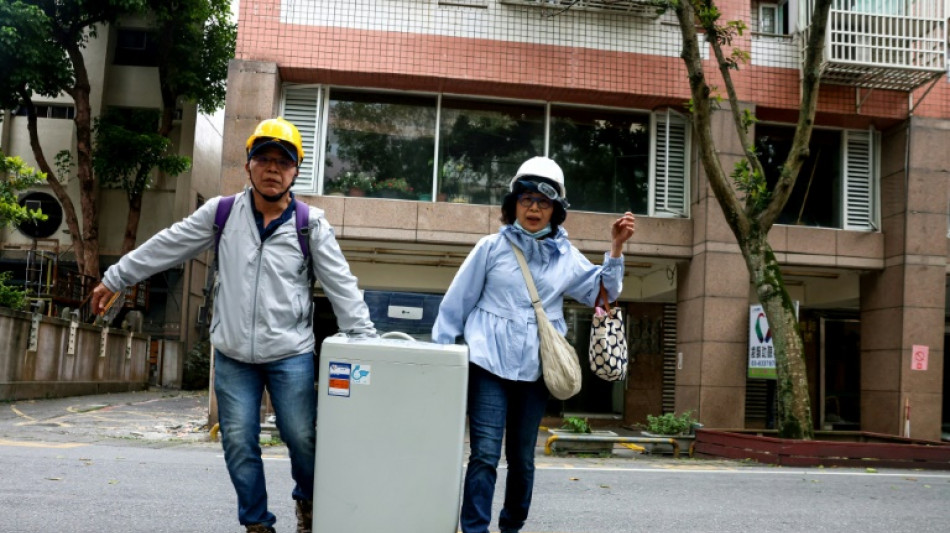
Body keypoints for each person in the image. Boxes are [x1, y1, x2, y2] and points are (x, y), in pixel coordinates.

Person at [90, 117, 376, 533]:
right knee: (239, 444)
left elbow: (343, 289)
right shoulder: (222, 214)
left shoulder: (310, 225)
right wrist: (116, 276)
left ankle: (309, 505)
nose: (273, 168)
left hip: (291, 355)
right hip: (233, 355)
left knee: (303, 439)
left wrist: (369, 343)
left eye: (284, 161)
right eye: (264, 159)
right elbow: (167, 245)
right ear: (248, 165)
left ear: (296, 171)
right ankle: (257, 524)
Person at [432, 156, 636, 533]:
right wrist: (444, 358)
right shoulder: (490, 248)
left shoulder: (566, 257)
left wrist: (616, 248)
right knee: (485, 455)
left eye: (544, 202)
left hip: (536, 369)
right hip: (488, 365)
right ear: (513, 205)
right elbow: (455, 304)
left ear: (556, 210)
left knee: (522, 458)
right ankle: (474, 529)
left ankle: (511, 526)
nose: (534, 208)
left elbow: (601, 292)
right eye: (526, 199)